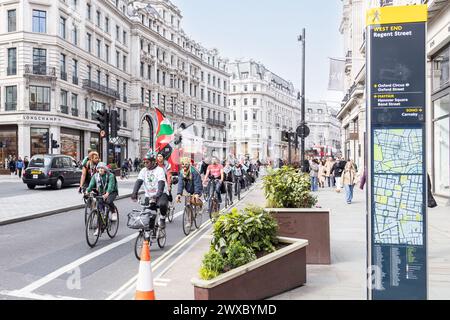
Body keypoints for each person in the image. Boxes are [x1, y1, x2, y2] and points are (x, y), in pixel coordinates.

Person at [131, 151, 168, 229]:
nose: (145, 164)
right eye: (144, 162)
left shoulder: (160, 170)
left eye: (147, 162)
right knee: (148, 216)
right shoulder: (143, 170)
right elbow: (139, 182)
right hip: (149, 196)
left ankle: (162, 217)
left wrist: (157, 195)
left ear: (153, 162)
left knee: (162, 205)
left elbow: (161, 184)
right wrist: (134, 193)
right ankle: (150, 234)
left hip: (161, 194)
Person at [85, 162, 119, 234]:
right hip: (102, 192)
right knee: (100, 209)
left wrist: (107, 193)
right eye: (99, 168)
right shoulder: (95, 176)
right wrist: (87, 191)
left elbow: (111, 185)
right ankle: (100, 227)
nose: (100, 169)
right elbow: (91, 184)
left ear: (105, 169)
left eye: (102, 168)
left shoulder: (110, 175)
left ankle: (113, 211)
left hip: (112, 191)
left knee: (108, 201)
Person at [176, 157, 203, 228]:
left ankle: (200, 205)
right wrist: (179, 194)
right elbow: (180, 184)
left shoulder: (194, 172)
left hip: (196, 188)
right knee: (187, 204)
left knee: (194, 200)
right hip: (188, 190)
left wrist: (197, 193)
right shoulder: (182, 172)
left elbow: (197, 183)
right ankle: (189, 221)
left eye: (186, 165)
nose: (184, 166)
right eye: (182, 165)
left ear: (189, 164)